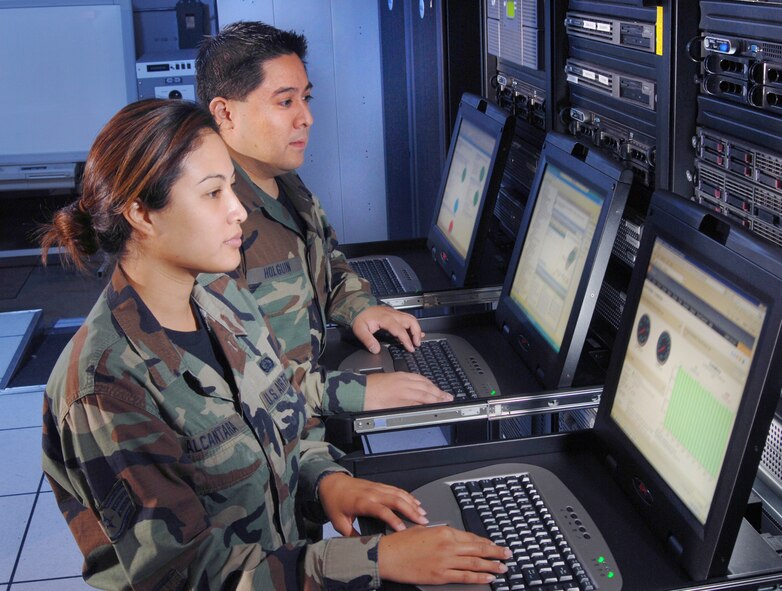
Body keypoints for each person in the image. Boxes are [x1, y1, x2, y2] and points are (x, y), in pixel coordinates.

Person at [39, 99, 510, 589]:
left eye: (232, 188)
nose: (238, 210)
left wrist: (330, 482)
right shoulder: (106, 386)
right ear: (141, 213)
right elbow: (184, 576)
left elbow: (284, 414)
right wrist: (373, 559)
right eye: (213, 193)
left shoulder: (220, 295)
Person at [196, 21, 451, 415]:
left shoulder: (286, 183)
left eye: (306, 99)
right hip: (279, 439)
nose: (306, 118)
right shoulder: (212, 224)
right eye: (285, 102)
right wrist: (362, 394)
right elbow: (239, 383)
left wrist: (360, 306)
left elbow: (326, 260)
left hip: (312, 405)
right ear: (225, 113)